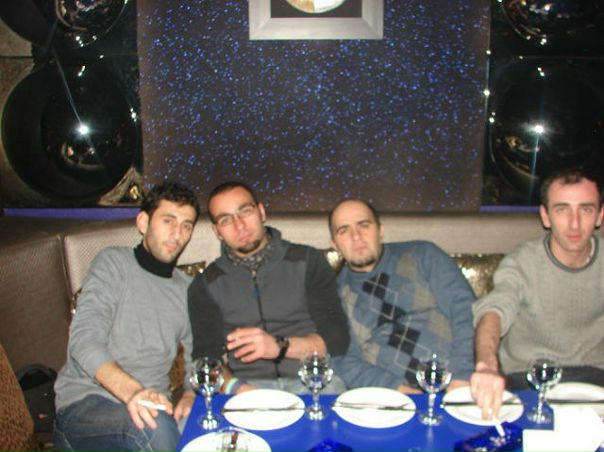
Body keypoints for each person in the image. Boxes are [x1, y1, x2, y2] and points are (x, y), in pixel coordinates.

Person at [53, 182, 201, 452]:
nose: (177, 234)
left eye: (186, 225)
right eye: (168, 221)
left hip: (156, 407)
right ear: (143, 222)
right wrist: (133, 392)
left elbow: (197, 355)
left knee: (207, 428)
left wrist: (191, 394)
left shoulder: (188, 289)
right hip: (86, 405)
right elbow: (84, 340)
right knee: (154, 428)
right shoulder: (113, 263)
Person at [188, 181, 350, 394]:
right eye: (226, 220)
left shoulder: (307, 261)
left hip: (312, 379)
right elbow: (206, 358)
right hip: (247, 386)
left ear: (261, 212)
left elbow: (337, 339)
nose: (239, 225)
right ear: (217, 231)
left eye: (245, 211)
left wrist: (280, 347)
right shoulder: (206, 284)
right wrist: (240, 389)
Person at [471, 168, 604, 419]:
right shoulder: (524, 261)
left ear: (600, 215)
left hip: (595, 380)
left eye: (585, 209)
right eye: (562, 209)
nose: (574, 223)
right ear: (546, 216)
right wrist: (487, 365)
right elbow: (495, 309)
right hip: (527, 378)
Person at [328, 199, 475, 393]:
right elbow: (344, 361)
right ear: (334, 245)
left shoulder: (422, 255)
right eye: (344, 230)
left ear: (380, 230)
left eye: (364, 225)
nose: (356, 236)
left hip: (456, 382)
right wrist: (398, 390)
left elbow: (465, 311)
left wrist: (462, 374)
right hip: (391, 398)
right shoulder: (333, 295)